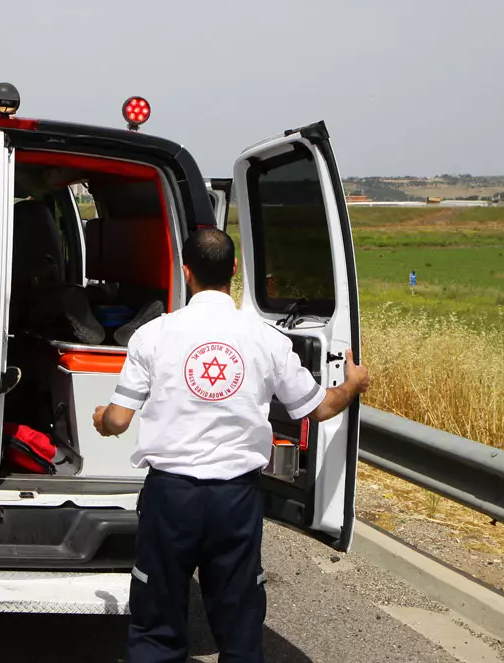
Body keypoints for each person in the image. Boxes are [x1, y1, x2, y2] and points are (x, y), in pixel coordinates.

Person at [92, 228, 370, 663]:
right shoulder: (268, 340)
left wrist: (102, 423)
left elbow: (118, 419)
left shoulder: (151, 335)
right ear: (234, 270)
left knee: (157, 616)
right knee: (239, 619)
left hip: (170, 497)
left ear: (186, 272)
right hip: (235, 501)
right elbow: (316, 409)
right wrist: (352, 386)